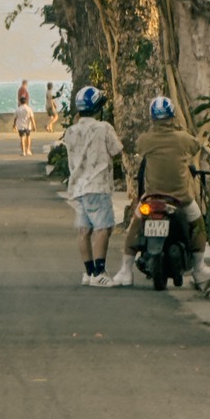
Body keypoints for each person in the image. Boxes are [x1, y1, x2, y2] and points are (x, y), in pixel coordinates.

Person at [114, 95, 210, 288]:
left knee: (134, 226)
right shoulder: (184, 139)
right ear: (173, 116)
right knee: (198, 223)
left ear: (152, 118)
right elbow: (195, 146)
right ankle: (199, 268)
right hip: (181, 199)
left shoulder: (145, 140)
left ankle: (125, 270)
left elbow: (139, 149)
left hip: (151, 199)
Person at [62, 85, 124, 286]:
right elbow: (116, 150)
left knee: (84, 230)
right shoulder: (103, 128)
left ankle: (88, 272)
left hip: (78, 187)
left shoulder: (70, 131)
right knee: (103, 228)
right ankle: (99, 272)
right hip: (98, 185)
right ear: (97, 107)